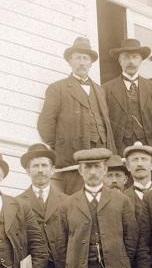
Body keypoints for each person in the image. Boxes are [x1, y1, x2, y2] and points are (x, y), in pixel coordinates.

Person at [55, 148, 138, 268]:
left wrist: (120, 264)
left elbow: (131, 241)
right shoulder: (68, 204)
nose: (92, 172)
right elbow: (61, 246)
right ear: (80, 171)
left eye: (97, 167)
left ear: (104, 170)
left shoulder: (121, 201)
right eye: (87, 167)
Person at [37, 37, 114, 194]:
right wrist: (61, 147)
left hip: (101, 156)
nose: (82, 62)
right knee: (77, 201)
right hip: (73, 160)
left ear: (91, 63)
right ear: (70, 61)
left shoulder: (100, 91)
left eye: (85, 58)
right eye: (78, 58)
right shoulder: (57, 88)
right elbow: (45, 123)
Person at [15, 144, 69, 268]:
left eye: (44, 165)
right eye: (35, 166)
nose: (40, 170)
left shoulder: (66, 201)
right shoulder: (18, 203)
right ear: (28, 170)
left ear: (52, 169)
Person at [102, 38, 152, 154]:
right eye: (126, 57)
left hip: (148, 145)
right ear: (119, 60)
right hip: (119, 147)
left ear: (141, 60)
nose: (131, 61)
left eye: (135, 57)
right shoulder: (106, 89)